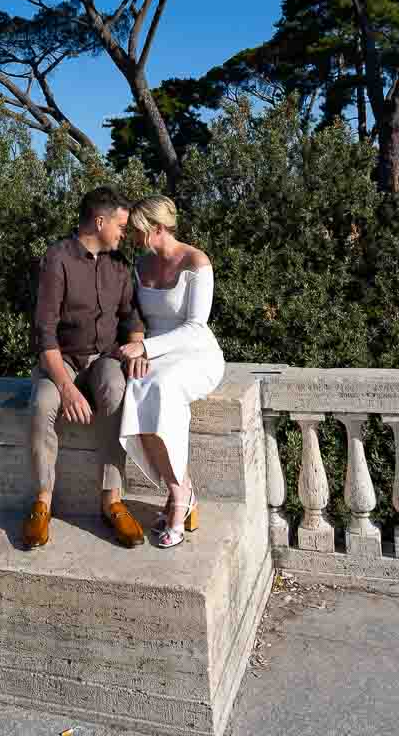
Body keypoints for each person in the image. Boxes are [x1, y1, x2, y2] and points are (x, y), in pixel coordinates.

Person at [21, 186, 147, 551]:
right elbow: (44, 332)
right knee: (42, 404)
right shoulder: (57, 259)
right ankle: (42, 502)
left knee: (116, 390)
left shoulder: (120, 265)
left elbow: (131, 316)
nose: (124, 233)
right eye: (121, 226)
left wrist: (137, 344)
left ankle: (112, 500)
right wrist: (66, 387)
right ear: (100, 220)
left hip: (105, 358)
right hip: (62, 361)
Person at [117, 196, 225, 549]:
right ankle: (181, 490)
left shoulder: (197, 261)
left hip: (196, 355)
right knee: (136, 386)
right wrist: (139, 347)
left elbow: (196, 327)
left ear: (158, 229)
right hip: (156, 354)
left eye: (138, 230)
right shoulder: (141, 264)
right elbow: (135, 318)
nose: (133, 237)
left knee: (161, 386)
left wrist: (146, 349)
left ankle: (179, 498)